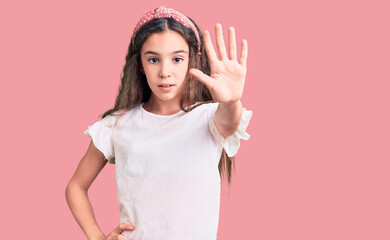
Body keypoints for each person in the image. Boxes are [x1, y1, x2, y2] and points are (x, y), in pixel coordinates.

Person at [65, 6, 252, 240]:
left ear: (193, 60)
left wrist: (233, 100)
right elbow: (76, 187)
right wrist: (98, 237)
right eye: (154, 59)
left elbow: (229, 121)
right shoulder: (117, 125)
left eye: (177, 59)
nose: (165, 72)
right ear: (141, 65)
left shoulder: (209, 118)